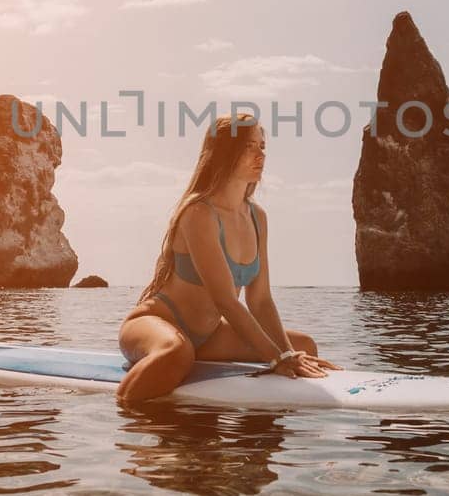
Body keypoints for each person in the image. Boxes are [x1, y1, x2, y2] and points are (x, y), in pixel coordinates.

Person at [117, 113, 336, 405]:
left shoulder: (257, 217)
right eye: (249, 146)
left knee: (304, 345)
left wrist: (287, 354)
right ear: (224, 154)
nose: (260, 154)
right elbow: (226, 300)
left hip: (208, 336)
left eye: (262, 146)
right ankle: (124, 411)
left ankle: (257, 440)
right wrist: (275, 358)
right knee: (177, 352)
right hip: (156, 322)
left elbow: (260, 301)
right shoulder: (198, 214)